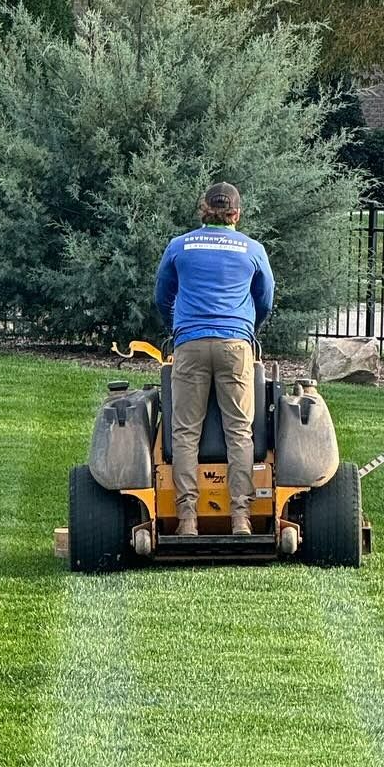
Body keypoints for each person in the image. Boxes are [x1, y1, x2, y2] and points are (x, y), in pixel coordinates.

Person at [153, 182, 275, 537]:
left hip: (189, 346)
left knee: (185, 432)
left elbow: (163, 295)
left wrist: (176, 325)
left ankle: (187, 519)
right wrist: (247, 328)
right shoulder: (252, 250)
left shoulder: (180, 246)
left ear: (203, 210)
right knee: (240, 431)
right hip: (235, 346)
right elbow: (265, 297)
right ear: (236, 213)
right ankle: (241, 518)